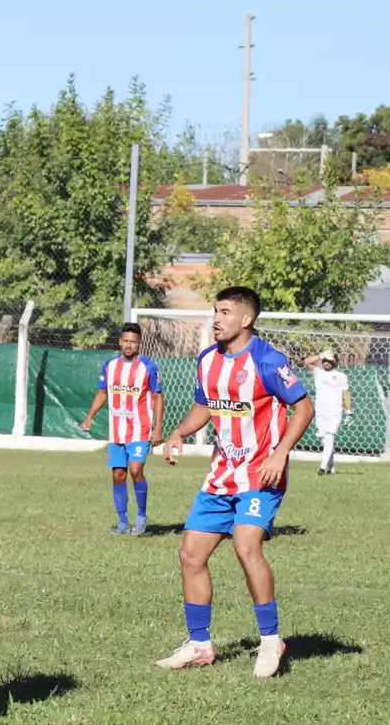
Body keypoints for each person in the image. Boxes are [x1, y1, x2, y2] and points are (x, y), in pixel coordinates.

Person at [158, 286, 314, 678]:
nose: (216, 319)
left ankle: (269, 640)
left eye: (225, 312)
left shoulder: (267, 360)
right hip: (221, 475)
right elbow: (205, 405)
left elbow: (304, 407)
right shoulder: (208, 359)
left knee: (247, 547)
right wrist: (177, 433)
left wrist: (280, 453)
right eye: (215, 311)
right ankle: (199, 645)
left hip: (261, 475)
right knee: (191, 555)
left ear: (246, 319)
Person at [80, 322, 164, 535]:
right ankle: (122, 522)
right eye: (125, 341)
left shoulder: (148, 367)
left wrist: (158, 428)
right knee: (118, 475)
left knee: (136, 470)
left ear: (139, 344)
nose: (128, 345)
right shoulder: (110, 366)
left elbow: (158, 397)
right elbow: (102, 393)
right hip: (117, 431)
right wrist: (90, 416)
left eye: (133, 342)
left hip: (140, 430)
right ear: (120, 342)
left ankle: (142, 517)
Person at [304, 350, 352, 475]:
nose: (327, 363)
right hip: (320, 411)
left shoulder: (341, 376)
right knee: (324, 439)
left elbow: (346, 393)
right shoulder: (318, 373)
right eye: (325, 360)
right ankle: (331, 467)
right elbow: (306, 362)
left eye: (330, 360)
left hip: (335, 411)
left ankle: (322, 468)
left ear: (335, 362)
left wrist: (349, 412)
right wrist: (321, 355)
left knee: (330, 438)